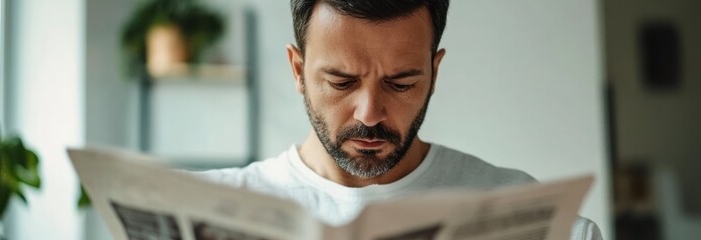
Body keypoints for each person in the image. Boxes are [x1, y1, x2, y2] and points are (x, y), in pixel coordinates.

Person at [195, 0, 602, 239]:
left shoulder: (550, 228)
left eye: (401, 83)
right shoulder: (208, 210)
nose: (370, 112)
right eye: (341, 82)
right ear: (298, 71)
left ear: (434, 73)